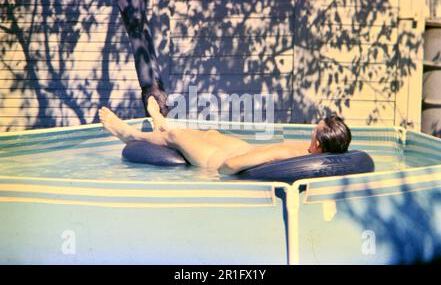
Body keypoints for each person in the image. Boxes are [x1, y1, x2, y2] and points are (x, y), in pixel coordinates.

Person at [98, 98, 352, 174]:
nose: (311, 128)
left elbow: (231, 166)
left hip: (218, 160)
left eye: (315, 128)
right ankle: (161, 123)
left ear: (318, 141)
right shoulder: (311, 151)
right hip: (241, 147)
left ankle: (127, 133)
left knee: (176, 137)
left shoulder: (288, 153)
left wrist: (216, 176)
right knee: (210, 132)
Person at [94, 0, 168, 116]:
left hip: (154, 89)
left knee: (143, 40)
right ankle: (156, 107)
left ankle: (158, 106)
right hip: (152, 90)